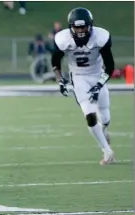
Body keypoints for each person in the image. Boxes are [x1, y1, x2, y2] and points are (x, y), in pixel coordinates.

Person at [51, 8, 115, 165]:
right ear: (71, 27)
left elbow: (110, 66)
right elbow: (55, 61)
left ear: (90, 26)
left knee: (105, 118)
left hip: (97, 75)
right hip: (79, 77)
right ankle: (107, 150)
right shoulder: (63, 39)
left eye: (83, 27)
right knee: (90, 114)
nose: (80, 31)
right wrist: (60, 79)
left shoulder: (101, 37)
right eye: (77, 27)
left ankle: (104, 130)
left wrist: (99, 84)